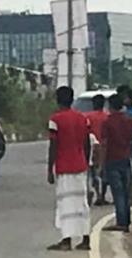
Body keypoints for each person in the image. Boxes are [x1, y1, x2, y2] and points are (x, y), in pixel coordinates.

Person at [47, 86, 92, 251]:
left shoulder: (55, 120)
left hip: (64, 166)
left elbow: (53, 145)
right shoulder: (82, 118)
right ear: (72, 100)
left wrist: (49, 169)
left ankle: (66, 240)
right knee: (82, 202)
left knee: (65, 203)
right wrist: (86, 161)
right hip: (80, 165)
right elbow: (87, 143)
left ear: (57, 100)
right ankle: (86, 238)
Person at [100, 93, 132, 232]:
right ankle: (126, 221)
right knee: (125, 192)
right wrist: (131, 143)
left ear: (110, 106)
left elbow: (104, 144)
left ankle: (121, 222)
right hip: (126, 158)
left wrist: (101, 165)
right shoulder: (128, 120)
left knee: (118, 193)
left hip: (112, 159)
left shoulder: (107, 122)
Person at [84, 94, 109, 205]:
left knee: (92, 172)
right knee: (103, 172)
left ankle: (96, 193)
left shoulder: (87, 117)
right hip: (104, 148)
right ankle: (102, 196)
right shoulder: (107, 117)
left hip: (91, 146)